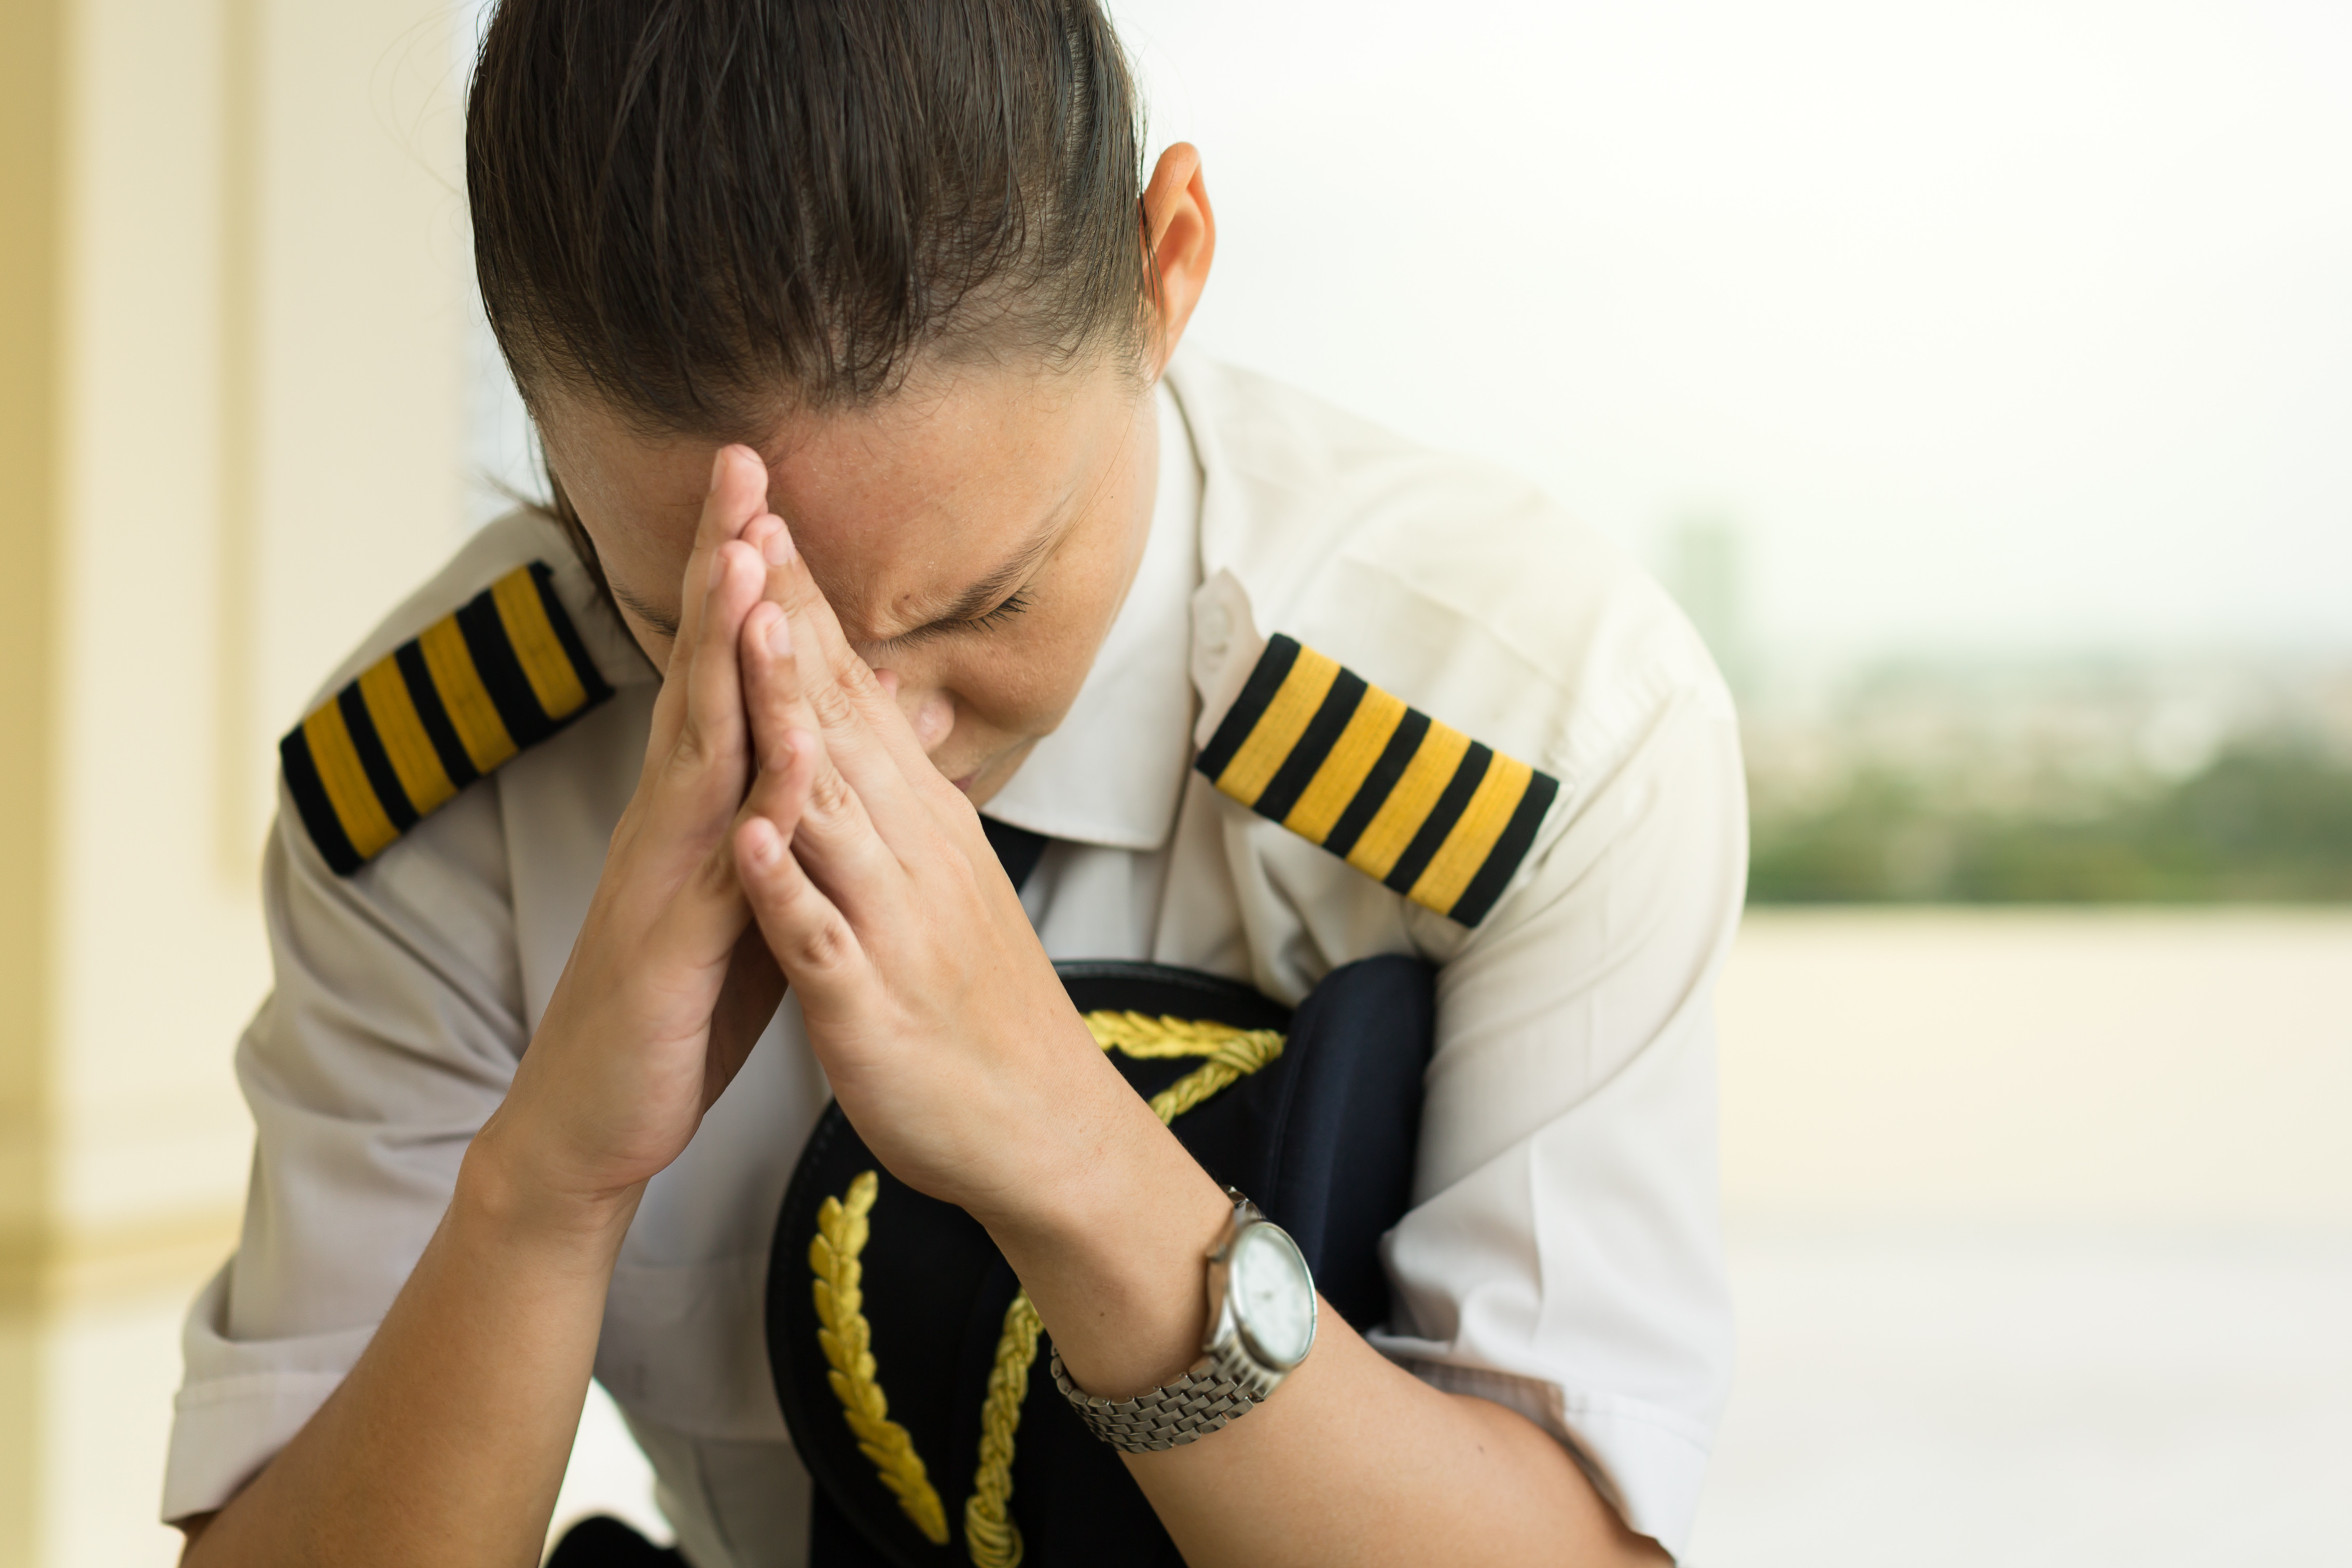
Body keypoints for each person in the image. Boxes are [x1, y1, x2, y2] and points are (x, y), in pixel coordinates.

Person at [164, 2, 1744, 1563]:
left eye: (987, 601)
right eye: (703, 626)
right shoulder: (441, 793)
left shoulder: (1545, 722)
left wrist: (1074, 1155)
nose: (875, 738)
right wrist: (548, 1181)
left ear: (1165, 269)